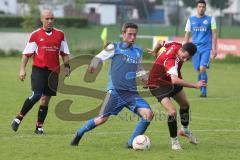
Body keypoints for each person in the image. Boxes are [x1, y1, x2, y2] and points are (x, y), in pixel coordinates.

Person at [70, 22, 153, 148]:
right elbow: (98, 57)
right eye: (130, 34)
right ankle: (79, 133)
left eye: (135, 35)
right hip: (115, 92)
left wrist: (144, 78)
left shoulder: (138, 51)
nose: (132, 37)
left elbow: (139, 67)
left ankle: (131, 143)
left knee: (148, 114)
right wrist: (93, 66)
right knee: (102, 119)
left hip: (131, 93)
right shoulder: (114, 47)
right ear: (123, 34)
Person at [11, 9, 71, 134]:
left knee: (45, 100)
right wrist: (22, 70)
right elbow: (26, 55)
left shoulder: (60, 34)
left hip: (54, 71)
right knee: (37, 95)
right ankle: (18, 118)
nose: (50, 21)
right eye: (47, 18)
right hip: (39, 69)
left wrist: (67, 66)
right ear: (41, 19)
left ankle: (39, 127)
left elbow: (64, 52)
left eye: (52, 18)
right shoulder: (35, 35)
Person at [147, 40, 206, 150]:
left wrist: (155, 52)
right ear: (181, 50)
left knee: (185, 105)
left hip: (169, 79)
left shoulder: (176, 44)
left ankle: (184, 130)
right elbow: (174, 80)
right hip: (157, 84)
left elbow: (160, 42)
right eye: (184, 57)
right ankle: (174, 142)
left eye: (187, 58)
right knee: (172, 112)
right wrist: (194, 85)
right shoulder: (171, 60)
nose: (184, 60)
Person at [184, 0, 218, 97]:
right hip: (194, 50)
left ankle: (204, 91)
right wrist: (185, 49)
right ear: (197, 8)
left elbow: (214, 34)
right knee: (198, 70)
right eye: (199, 6)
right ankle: (200, 86)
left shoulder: (211, 19)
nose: (201, 8)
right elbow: (187, 34)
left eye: (203, 6)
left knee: (202, 68)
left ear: (205, 8)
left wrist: (214, 49)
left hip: (206, 48)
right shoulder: (190, 19)